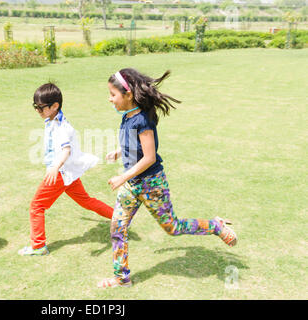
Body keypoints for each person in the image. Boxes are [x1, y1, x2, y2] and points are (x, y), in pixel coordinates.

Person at [98, 68, 237, 288]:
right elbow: (134, 145)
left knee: (172, 227)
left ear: (128, 95)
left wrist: (123, 176)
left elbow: (150, 157)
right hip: (132, 186)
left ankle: (215, 226)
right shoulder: (127, 116)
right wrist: (119, 151)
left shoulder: (143, 120)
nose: (110, 99)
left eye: (113, 94)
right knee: (117, 228)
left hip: (151, 184)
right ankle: (121, 278)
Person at [18, 82, 113, 256]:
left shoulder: (62, 128)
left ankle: (38, 246)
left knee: (36, 206)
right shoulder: (53, 119)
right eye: (35, 107)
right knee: (86, 201)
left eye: (41, 108)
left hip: (60, 174)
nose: (38, 111)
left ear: (55, 106)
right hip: (68, 174)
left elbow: (66, 150)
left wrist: (55, 167)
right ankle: (119, 218)